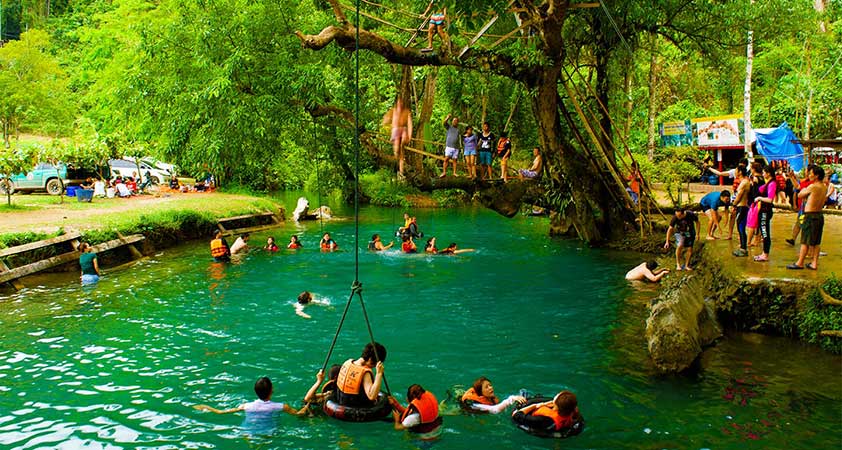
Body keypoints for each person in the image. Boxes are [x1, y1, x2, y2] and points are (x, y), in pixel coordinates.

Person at [194, 376, 307, 416]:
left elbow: (220, 412)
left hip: (248, 433)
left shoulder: (246, 406)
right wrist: (306, 407)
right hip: (268, 434)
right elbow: (298, 414)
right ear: (272, 390)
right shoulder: (281, 407)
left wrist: (206, 407)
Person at [787, 166, 827, 270]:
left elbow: (800, 194)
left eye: (811, 173)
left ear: (817, 175)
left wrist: (804, 190)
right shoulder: (824, 186)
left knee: (805, 241)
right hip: (819, 215)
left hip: (810, 216)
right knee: (816, 242)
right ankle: (814, 263)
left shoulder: (813, 186)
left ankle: (800, 263)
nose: (809, 175)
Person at [336, 342, 387, 407]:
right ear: (370, 359)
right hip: (355, 408)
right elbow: (372, 396)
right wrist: (379, 374)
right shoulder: (365, 373)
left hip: (340, 402)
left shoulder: (347, 362)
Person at [511, 390, 582, 434]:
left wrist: (535, 406)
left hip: (538, 424)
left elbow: (516, 416)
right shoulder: (573, 412)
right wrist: (544, 404)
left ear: (556, 406)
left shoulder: (546, 420)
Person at [460, 377, 526, 414]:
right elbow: (495, 410)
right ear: (481, 392)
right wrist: (512, 398)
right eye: (486, 387)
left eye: (490, 385)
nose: (490, 388)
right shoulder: (475, 404)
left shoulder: (490, 398)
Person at [382, 97, 413, 178]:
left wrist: (409, 135)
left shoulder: (406, 112)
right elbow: (385, 120)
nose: (400, 104)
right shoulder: (393, 111)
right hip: (395, 131)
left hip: (403, 131)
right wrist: (386, 123)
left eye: (401, 103)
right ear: (396, 104)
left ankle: (401, 172)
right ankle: (399, 171)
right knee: (397, 153)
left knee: (401, 148)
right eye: (398, 103)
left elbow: (409, 124)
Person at [753, 165, 777, 262]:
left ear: (768, 173)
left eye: (763, 172)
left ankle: (765, 254)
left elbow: (770, 199)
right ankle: (764, 252)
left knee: (765, 232)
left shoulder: (772, 184)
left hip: (765, 211)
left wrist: (759, 198)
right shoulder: (768, 183)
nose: (762, 174)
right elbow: (760, 189)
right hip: (763, 210)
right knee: (763, 232)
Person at [786, 166, 813, 246]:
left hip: (807, 208)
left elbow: (798, 188)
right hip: (803, 207)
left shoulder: (812, 183)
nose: (805, 172)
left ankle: (807, 243)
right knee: (799, 223)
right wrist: (792, 177)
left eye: (806, 171)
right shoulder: (806, 181)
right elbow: (798, 187)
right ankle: (794, 239)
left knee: (805, 225)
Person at [731, 166, 751, 257]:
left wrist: (734, 204)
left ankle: (743, 249)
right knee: (740, 227)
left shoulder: (744, 182)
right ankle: (743, 247)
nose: (735, 172)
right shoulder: (745, 181)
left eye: (736, 170)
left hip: (742, 207)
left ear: (740, 172)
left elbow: (739, 195)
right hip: (742, 206)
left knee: (741, 227)